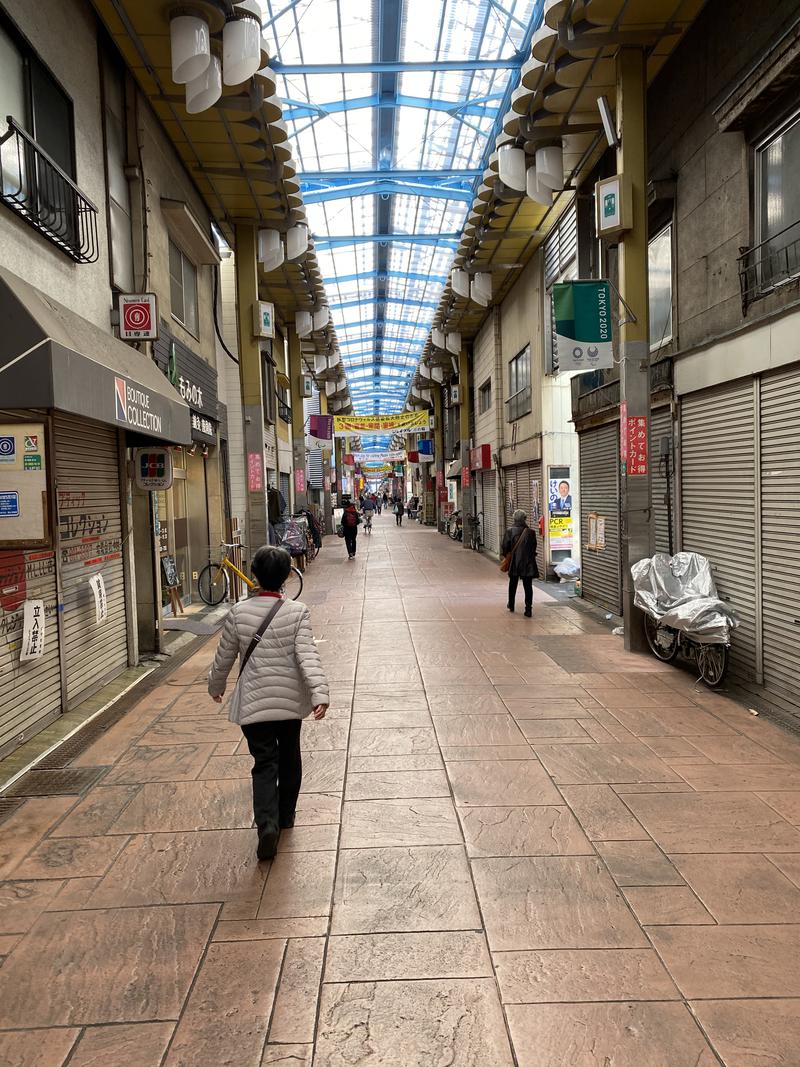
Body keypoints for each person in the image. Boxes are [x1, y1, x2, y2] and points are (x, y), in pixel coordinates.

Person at [208, 546, 328, 860]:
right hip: (288, 705)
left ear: (256, 575)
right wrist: (319, 693)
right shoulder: (296, 612)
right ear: (287, 575)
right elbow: (307, 656)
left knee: (264, 764)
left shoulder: (238, 612)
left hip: (254, 705)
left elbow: (224, 658)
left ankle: (267, 825)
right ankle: (286, 816)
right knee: (290, 758)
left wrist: (216, 686)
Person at [501, 509, 539, 617]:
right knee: (528, 586)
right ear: (525, 519)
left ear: (514, 519)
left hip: (514, 562)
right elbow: (533, 547)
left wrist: (507, 556)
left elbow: (504, 547)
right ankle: (528, 609)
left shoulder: (510, 531)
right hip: (528, 563)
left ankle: (511, 604)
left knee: (513, 584)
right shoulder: (531, 532)